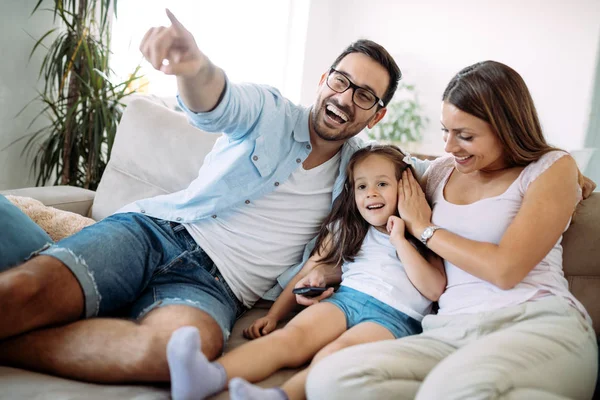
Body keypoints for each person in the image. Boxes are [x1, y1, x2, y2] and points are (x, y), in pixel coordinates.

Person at [0, 10, 431, 383]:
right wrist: (192, 68)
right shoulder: (269, 110)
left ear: (377, 114)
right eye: (341, 81)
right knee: (24, 293)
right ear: (324, 79)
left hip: (217, 288)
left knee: (172, 355)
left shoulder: (364, 173)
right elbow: (218, 101)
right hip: (155, 234)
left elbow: (433, 183)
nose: (344, 98)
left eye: (364, 96)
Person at [305, 61, 599, 399]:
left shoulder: (549, 168)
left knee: (451, 389)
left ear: (507, 128)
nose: (449, 146)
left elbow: (505, 270)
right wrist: (324, 271)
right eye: (446, 130)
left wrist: (426, 229)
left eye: (466, 136)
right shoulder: (439, 172)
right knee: (331, 379)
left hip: (534, 323)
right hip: (448, 333)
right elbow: (376, 179)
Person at [165, 144, 446, 400]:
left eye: (382, 184)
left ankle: (282, 396)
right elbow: (309, 269)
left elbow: (434, 289)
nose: (370, 193)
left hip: (395, 319)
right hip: (346, 300)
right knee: (291, 337)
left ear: (406, 187)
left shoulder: (424, 232)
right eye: (361, 186)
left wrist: (400, 238)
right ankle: (206, 377)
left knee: (334, 353)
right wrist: (275, 315)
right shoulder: (351, 229)